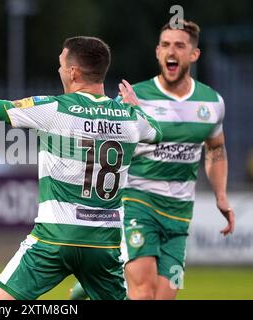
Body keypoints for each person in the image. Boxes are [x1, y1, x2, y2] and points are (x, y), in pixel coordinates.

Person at [0, 36, 163, 300]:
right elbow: (157, 132)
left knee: (0, 302)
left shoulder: (54, 108)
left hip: (56, 238)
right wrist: (134, 108)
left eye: (61, 64)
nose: (59, 70)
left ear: (73, 71)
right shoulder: (131, 118)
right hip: (104, 243)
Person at [70, 19, 235, 300]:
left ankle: (92, 282)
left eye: (180, 46)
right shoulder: (134, 97)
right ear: (158, 52)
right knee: (143, 293)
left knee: (162, 297)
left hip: (179, 213)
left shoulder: (211, 103)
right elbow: (102, 146)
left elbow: (216, 149)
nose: (172, 52)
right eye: (166, 45)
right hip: (137, 202)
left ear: (194, 55)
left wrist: (221, 195)